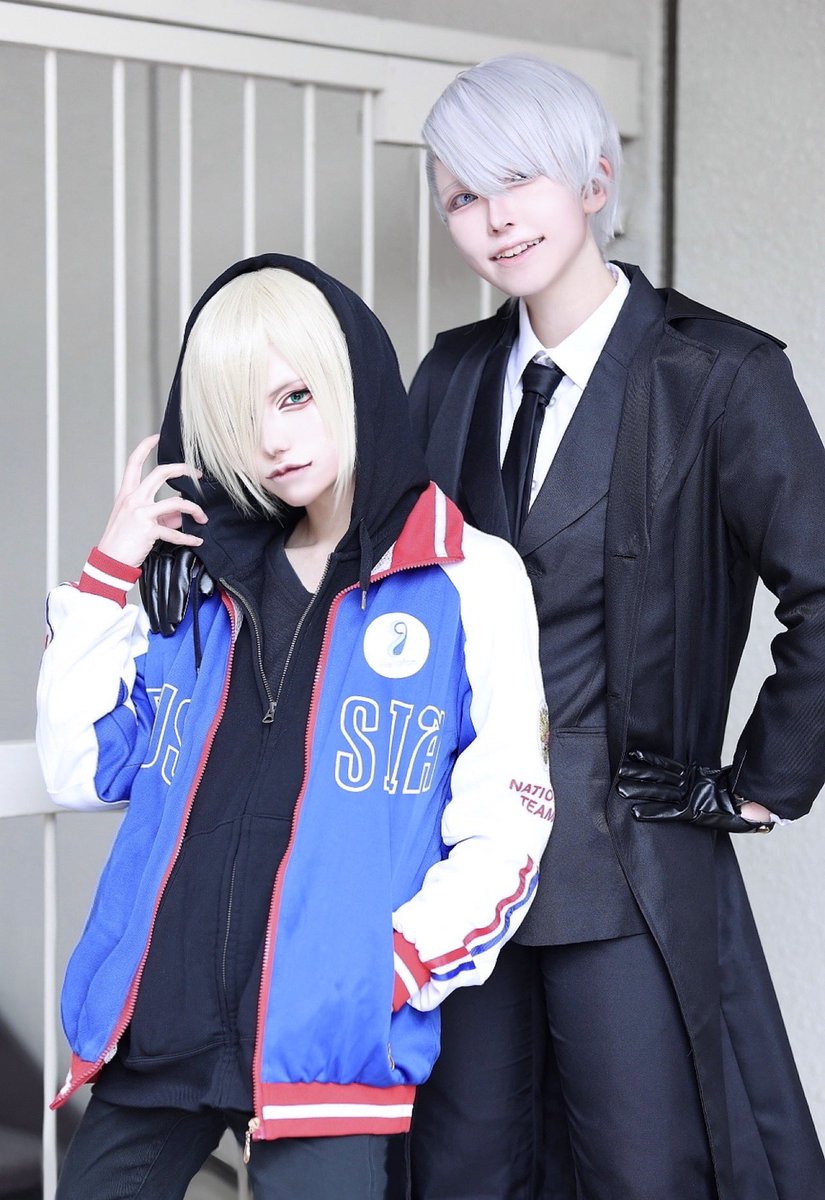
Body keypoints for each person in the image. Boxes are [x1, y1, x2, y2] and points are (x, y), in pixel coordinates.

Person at [35, 253, 554, 1200]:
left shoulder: (467, 577)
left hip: (325, 1035)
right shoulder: (201, 587)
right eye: (242, 417)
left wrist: (389, 969)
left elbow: (507, 820)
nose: (273, 441)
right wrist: (111, 571)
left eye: (296, 396)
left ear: (352, 376)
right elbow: (80, 767)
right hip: (159, 1019)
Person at [403, 55, 825, 1200]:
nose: (494, 218)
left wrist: (762, 784)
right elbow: (364, 569)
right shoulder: (448, 376)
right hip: (462, 852)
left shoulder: (720, 373)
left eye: (518, 179)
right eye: (462, 195)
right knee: (463, 1167)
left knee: (647, 1169)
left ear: (594, 181)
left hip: (631, 855)